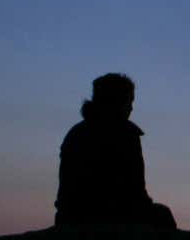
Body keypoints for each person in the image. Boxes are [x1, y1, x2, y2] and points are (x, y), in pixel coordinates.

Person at [54, 73, 175, 229]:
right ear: (115, 101)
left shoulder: (76, 133)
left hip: (70, 215)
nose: (132, 107)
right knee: (163, 215)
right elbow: (135, 190)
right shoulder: (126, 134)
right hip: (110, 215)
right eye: (129, 101)